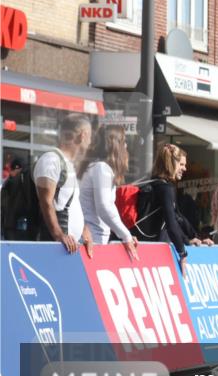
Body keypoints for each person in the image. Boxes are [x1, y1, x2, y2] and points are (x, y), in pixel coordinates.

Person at [34, 113, 93, 254]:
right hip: (54, 248)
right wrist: (59, 235)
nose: (91, 142)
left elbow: (69, 203)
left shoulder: (68, 164)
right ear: (82, 135)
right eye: (90, 137)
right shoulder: (51, 160)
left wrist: (83, 228)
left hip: (67, 248)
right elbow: (46, 202)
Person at [79, 125, 138, 260]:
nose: (126, 146)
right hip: (93, 240)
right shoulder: (101, 168)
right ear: (115, 145)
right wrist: (125, 235)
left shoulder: (97, 167)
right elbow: (104, 207)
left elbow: (107, 207)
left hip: (93, 237)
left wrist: (123, 233)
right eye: (124, 142)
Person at [144, 144, 202, 274]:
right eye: (181, 164)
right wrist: (182, 252)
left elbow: (177, 216)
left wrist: (190, 238)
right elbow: (171, 223)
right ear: (171, 163)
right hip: (157, 251)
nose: (185, 168)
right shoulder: (166, 189)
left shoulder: (153, 183)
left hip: (145, 246)